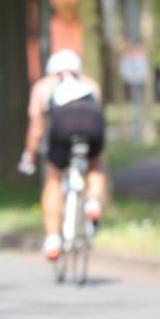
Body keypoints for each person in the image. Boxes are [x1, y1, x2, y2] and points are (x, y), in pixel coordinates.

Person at [20, 49, 106, 261]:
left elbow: (36, 127)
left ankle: (52, 239)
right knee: (95, 165)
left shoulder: (43, 86)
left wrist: (29, 155)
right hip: (92, 124)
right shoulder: (91, 83)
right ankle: (93, 201)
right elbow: (98, 112)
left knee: (54, 178)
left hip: (62, 126)